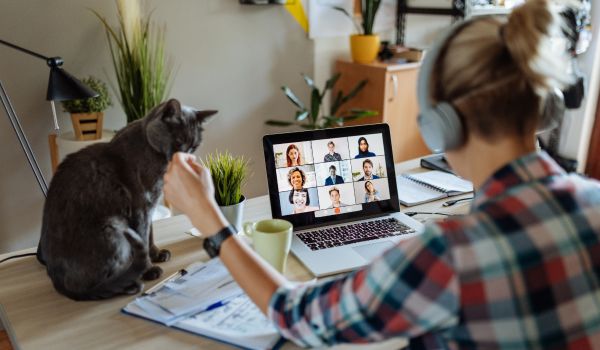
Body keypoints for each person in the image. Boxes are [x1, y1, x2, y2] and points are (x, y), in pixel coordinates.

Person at [163, 1, 600, 348]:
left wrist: (211, 221)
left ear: (441, 123)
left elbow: (297, 317)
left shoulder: (450, 255)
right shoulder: (593, 201)